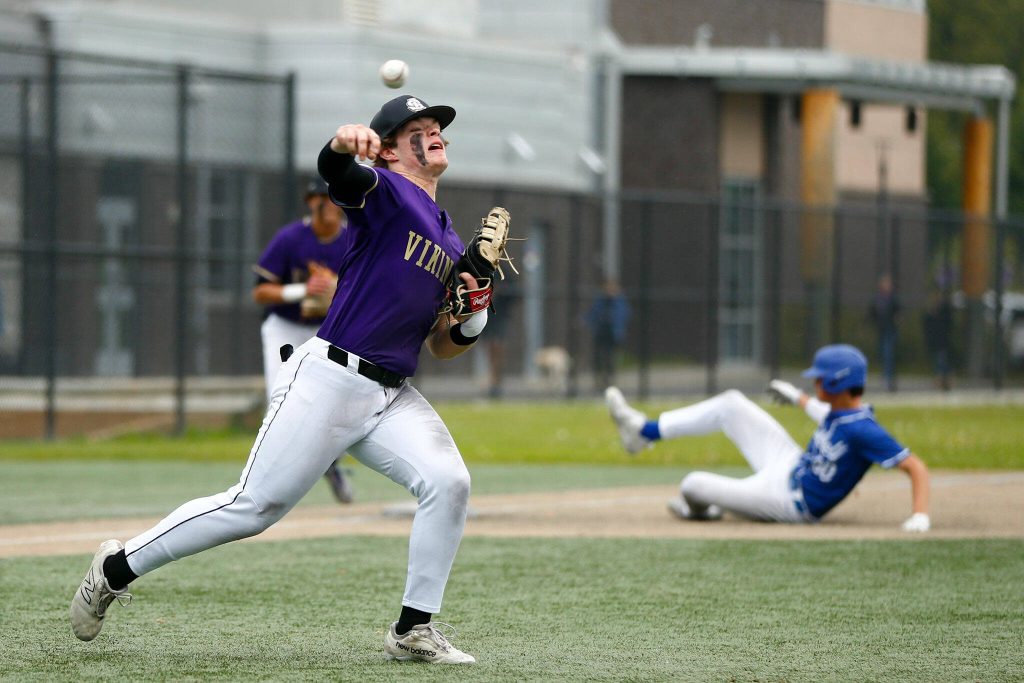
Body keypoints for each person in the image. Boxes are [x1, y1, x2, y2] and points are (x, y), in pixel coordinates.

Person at [70, 94, 495, 665]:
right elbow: (338, 175)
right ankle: (115, 568)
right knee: (253, 507)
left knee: (450, 483)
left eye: (437, 126)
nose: (434, 132)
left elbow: (442, 346)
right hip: (331, 378)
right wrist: (342, 145)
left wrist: (474, 315)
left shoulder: (447, 238)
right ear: (391, 150)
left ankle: (412, 630)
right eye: (418, 128)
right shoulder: (387, 192)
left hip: (392, 393)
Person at [605, 344, 930, 532]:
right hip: (789, 465)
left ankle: (701, 510)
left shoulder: (864, 430)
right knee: (732, 403)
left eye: (820, 379)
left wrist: (920, 516)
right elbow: (822, 412)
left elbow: (916, 467)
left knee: (692, 484)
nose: (816, 383)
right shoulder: (844, 413)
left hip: (790, 503)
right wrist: (797, 398)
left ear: (835, 383)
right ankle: (643, 433)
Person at [252, 178, 353, 504]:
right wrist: (301, 291)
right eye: (316, 198)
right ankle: (264, 481)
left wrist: (335, 291)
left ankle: (331, 465)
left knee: (335, 405)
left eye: (328, 197)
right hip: (286, 327)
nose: (322, 204)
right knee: (280, 402)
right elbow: (260, 292)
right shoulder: (291, 238)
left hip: (328, 330)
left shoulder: (354, 239)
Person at [586, 278, 630, 392]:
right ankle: (599, 380)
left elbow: (624, 315)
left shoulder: (619, 301)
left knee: (611, 358)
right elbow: (592, 314)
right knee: (599, 358)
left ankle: (610, 381)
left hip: (613, 334)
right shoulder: (600, 301)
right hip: (601, 333)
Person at [869, 273, 900, 392]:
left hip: (890, 330)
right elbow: (872, 312)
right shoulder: (878, 298)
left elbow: (898, 312)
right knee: (882, 353)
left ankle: (888, 378)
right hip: (881, 330)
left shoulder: (893, 298)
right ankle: (885, 376)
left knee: (888, 353)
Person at [922, 288, 953, 391]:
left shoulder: (944, 310)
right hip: (935, 340)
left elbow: (948, 324)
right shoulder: (931, 311)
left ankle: (942, 380)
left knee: (942, 360)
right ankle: (943, 380)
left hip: (942, 339)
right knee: (940, 360)